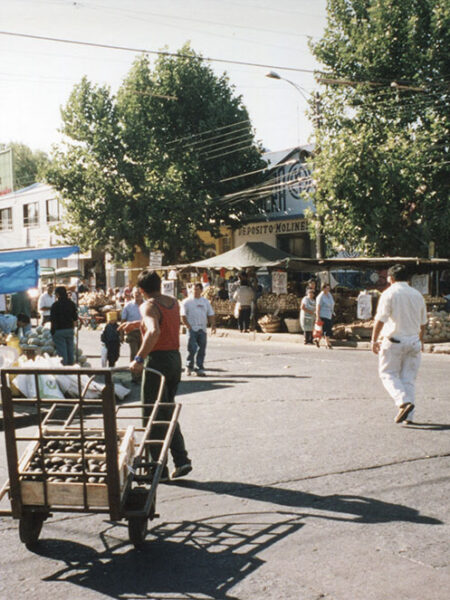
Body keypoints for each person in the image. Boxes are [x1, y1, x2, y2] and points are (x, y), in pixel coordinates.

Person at [119, 269, 192, 481]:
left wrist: (139, 358)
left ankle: (156, 467)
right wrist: (136, 325)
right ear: (160, 285)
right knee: (167, 409)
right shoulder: (172, 302)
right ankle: (181, 459)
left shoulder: (148, 305)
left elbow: (154, 332)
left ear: (141, 290)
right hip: (174, 359)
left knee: (151, 414)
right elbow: (162, 324)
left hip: (156, 361)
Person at [371, 264, 427, 424]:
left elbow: (380, 319)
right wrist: (420, 340)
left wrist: (374, 340)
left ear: (391, 278)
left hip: (394, 341)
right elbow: (423, 323)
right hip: (414, 341)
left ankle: (402, 401)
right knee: (408, 378)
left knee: (387, 374)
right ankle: (409, 416)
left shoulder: (389, 293)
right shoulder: (417, 295)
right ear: (408, 278)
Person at [180, 283, 216, 376]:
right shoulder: (186, 302)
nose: (195, 291)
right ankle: (189, 366)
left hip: (202, 329)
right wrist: (188, 326)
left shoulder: (205, 302)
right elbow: (183, 315)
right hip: (192, 329)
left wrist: (213, 325)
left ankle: (200, 367)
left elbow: (210, 314)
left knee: (202, 349)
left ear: (201, 290)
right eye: (193, 289)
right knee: (192, 349)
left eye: (197, 289)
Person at [50, 286, 78, 365]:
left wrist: (52, 331)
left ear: (58, 295)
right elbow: (75, 317)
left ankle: (64, 369)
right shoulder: (71, 303)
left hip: (59, 330)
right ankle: (71, 367)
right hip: (69, 329)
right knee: (70, 350)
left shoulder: (55, 305)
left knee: (62, 352)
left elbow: (52, 320)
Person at [121, 287, 144, 383]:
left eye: (139, 293)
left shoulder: (147, 305)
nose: (137, 295)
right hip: (132, 332)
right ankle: (135, 375)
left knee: (143, 353)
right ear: (132, 294)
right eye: (135, 293)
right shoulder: (128, 306)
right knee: (134, 353)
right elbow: (123, 320)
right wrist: (121, 334)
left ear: (142, 294)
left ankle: (142, 375)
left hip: (144, 332)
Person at [315, 283, 335, 349]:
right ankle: (327, 343)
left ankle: (318, 340)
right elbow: (318, 307)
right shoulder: (320, 297)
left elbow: (332, 303)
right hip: (323, 314)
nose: (328, 289)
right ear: (323, 288)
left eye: (329, 288)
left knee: (325, 329)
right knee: (326, 329)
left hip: (329, 314)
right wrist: (318, 317)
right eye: (327, 288)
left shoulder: (329, 295)